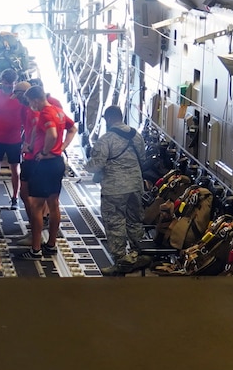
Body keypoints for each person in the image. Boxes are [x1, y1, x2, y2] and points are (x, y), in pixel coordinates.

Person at [83, 104, 150, 270]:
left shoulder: (106, 139)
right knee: (135, 220)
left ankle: (121, 260)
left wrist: (86, 166)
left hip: (114, 189)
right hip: (135, 185)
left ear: (109, 119)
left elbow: (96, 165)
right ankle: (138, 253)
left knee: (115, 222)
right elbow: (143, 157)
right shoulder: (137, 135)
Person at [19, 81, 75, 259]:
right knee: (54, 204)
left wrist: (44, 152)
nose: (30, 105)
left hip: (44, 164)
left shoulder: (45, 113)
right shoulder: (58, 110)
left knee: (36, 206)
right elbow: (72, 128)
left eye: (30, 101)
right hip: (57, 162)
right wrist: (62, 146)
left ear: (36, 99)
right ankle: (51, 245)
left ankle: (35, 249)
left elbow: (51, 134)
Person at [0, 75, 27, 204]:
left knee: (16, 171)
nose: (10, 86)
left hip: (14, 140)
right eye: (7, 82)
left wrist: (26, 140)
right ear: (2, 81)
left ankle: (15, 198)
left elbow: (26, 120)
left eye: (12, 83)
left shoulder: (20, 99)